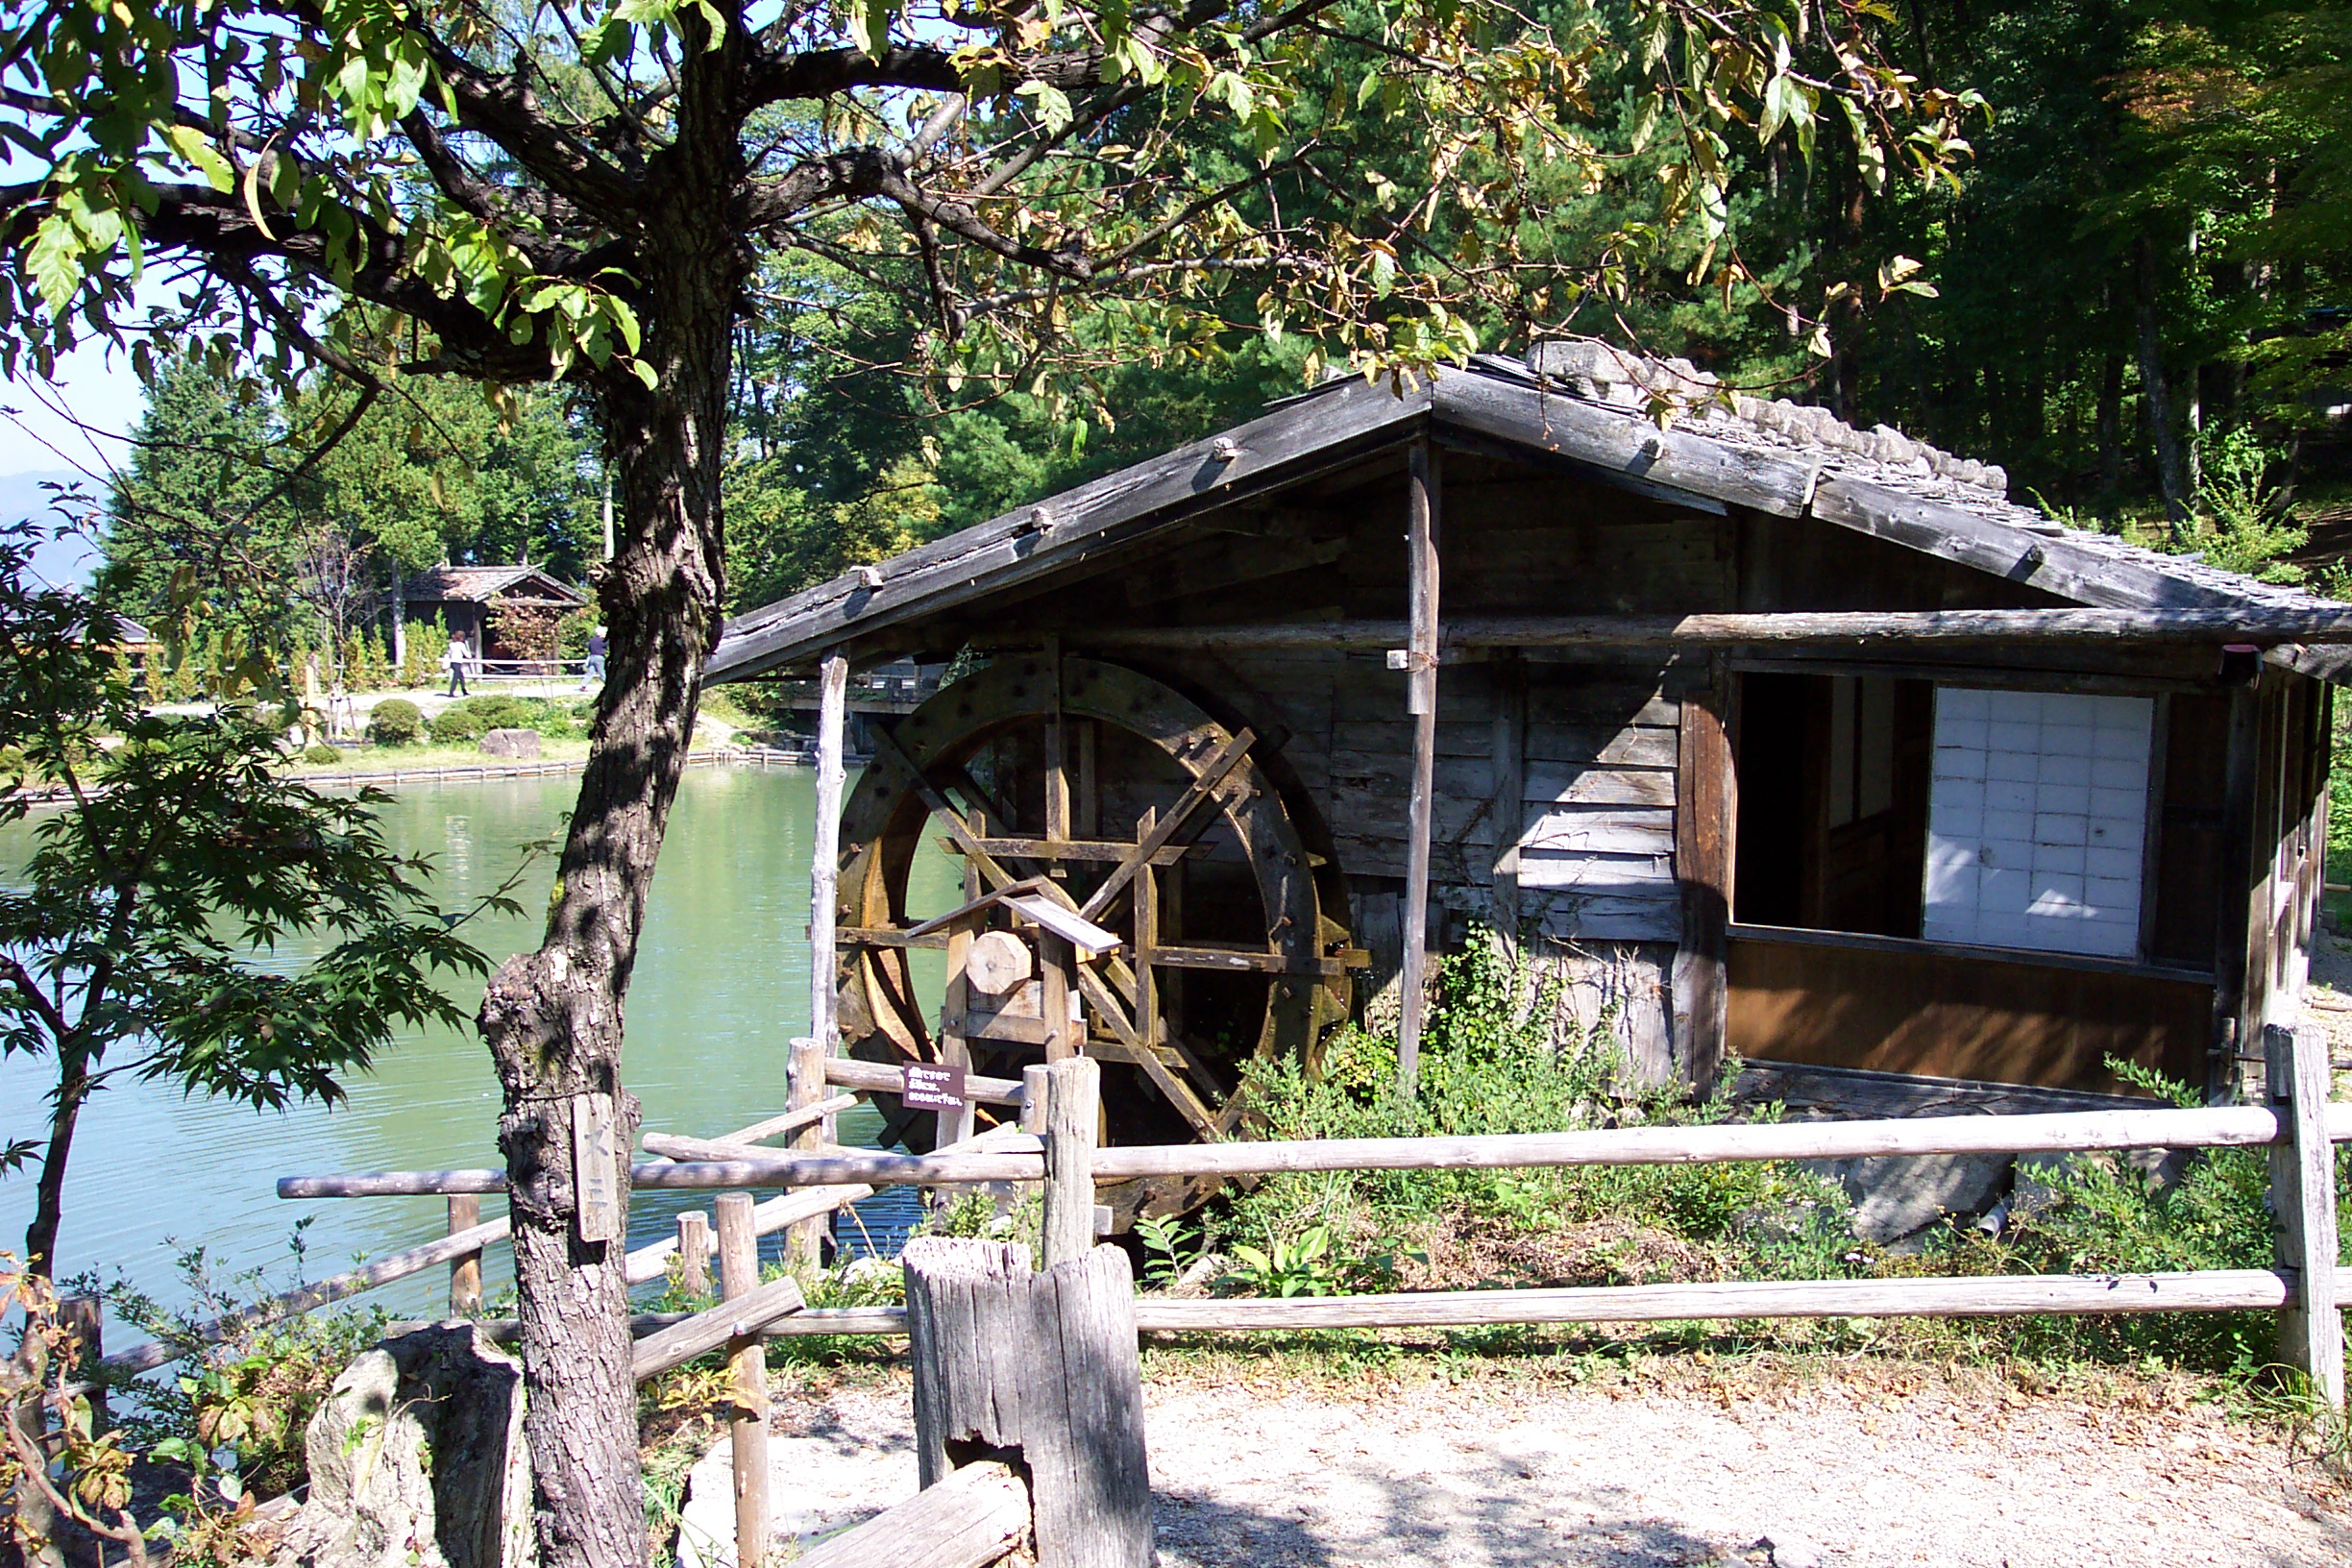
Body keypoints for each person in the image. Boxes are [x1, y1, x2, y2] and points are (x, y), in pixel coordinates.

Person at [443, 633, 470, 697]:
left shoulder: (451, 644)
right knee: (455, 678)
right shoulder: (461, 645)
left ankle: (464, 690)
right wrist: (470, 656)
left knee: (461, 677)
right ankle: (451, 692)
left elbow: (449, 653)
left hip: (452, 662)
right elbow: (465, 653)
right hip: (458, 662)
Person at [581, 625, 606, 691]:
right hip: (599, 657)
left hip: (592, 657)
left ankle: (583, 685)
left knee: (590, 672)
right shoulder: (602, 640)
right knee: (602, 672)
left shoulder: (592, 640)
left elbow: (589, 647)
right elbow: (606, 645)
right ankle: (607, 684)